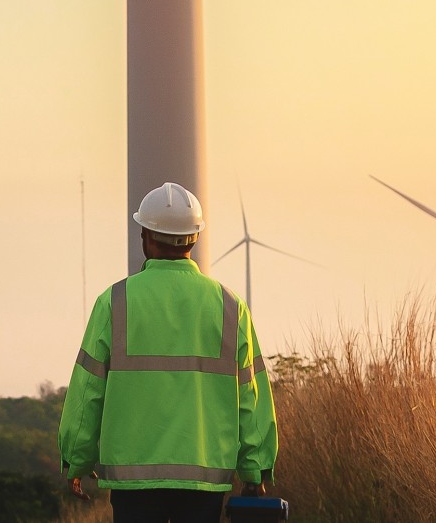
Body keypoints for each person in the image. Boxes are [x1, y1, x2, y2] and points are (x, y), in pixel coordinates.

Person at [59, 182, 278, 523]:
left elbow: (88, 392)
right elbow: (251, 396)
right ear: (196, 237)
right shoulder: (230, 307)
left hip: (134, 482)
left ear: (145, 236)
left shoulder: (115, 302)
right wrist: (255, 470)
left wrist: (77, 458)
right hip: (205, 480)